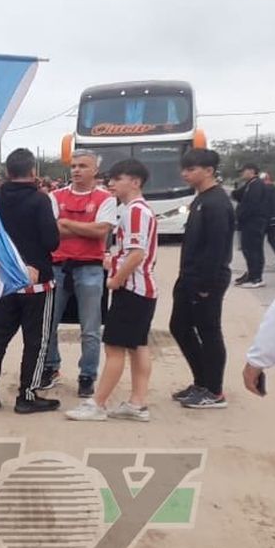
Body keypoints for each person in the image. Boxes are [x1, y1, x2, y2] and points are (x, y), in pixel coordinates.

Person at [68, 158, 158, 421]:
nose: (112, 184)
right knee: (137, 346)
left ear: (135, 181)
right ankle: (137, 402)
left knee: (114, 348)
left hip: (132, 288)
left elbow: (137, 253)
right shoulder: (135, 209)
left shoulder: (135, 211)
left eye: (118, 179)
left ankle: (98, 403)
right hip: (141, 288)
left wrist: (116, 279)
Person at [0, 148, 61, 414]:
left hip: (4, 279)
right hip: (37, 280)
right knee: (35, 341)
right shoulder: (41, 200)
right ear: (33, 170)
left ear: (7, 171)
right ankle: (26, 394)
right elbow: (52, 241)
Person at [41, 149, 117, 399]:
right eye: (74, 165)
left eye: (83, 166)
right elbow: (53, 231)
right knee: (49, 323)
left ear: (95, 170)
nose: (76, 170)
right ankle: (51, 367)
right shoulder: (56, 196)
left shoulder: (105, 198)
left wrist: (67, 225)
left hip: (91, 267)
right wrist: (85, 228)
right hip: (59, 266)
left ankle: (87, 375)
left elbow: (102, 231)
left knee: (91, 327)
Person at [171, 148, 235, 409]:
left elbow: (216, 248)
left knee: (209, 332)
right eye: (184, 169)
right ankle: (201, 381)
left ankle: (215, 390)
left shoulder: (217, 202)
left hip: (207, 281)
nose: (185, 173)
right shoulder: (200, 200)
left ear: (209, 171)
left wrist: (206, 285)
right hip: (189, 277)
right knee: (179, 327)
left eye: (191, 169)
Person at [231, 163, 273, 288]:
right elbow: (236, 195)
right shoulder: (250, 184)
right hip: (249, 223)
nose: (241, 174)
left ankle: (256, 278)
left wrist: (240, 216)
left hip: (254, 222)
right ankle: (252, 274)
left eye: (243, 171)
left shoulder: (257, 185)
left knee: (253, 250)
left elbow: (251, 205)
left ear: (251, 171)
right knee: (248, 249)